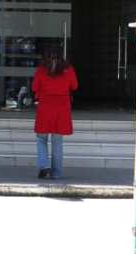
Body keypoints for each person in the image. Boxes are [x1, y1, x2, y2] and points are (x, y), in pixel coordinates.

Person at [32, 46, 78, 180]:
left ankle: (44, 165)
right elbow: (75, 86)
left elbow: (34, 87)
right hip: (62, 109)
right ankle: (56, 173)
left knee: (41, 139)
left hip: (45, 108)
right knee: (57, 142)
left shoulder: (41, 70)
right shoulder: (68, 70)